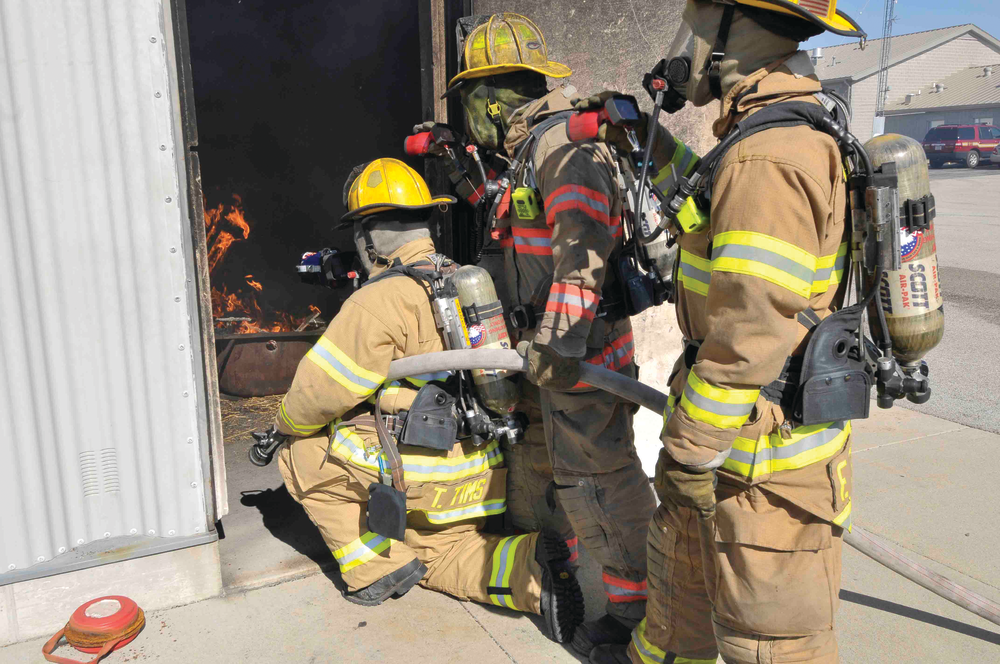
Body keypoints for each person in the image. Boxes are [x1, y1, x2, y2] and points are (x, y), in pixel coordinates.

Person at [581, 1, 866, 662]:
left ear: (737, 29)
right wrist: (642, 143)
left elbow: (754, 329)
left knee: (766, 640)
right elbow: (710, 217)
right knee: (682, 599)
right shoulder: (760, 137)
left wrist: (690, 448)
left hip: (761, 465)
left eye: (695, 26)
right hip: (729, 448)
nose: (684, 47)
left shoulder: (770, 156)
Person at [273, 157, 584, 643]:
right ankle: (533, 572)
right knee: (445, 550)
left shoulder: (378, 302)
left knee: (299, 453)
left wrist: (281, 423)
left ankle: (376, 570)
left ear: (368, 238)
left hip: (421, 475)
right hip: (484, 474)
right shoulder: (472, 280)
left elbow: (316, 397)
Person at [433, 13, 660, 655]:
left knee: (601, 478)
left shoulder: (561, 145)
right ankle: (616, 586)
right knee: (575, 474)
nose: (471, 112)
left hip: (582, 355)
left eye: (472, 98)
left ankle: (638, 613)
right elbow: (519, 229)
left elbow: (581, 255)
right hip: (557, 353)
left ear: (496, 96)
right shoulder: (534, 148)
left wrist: (559, 346)